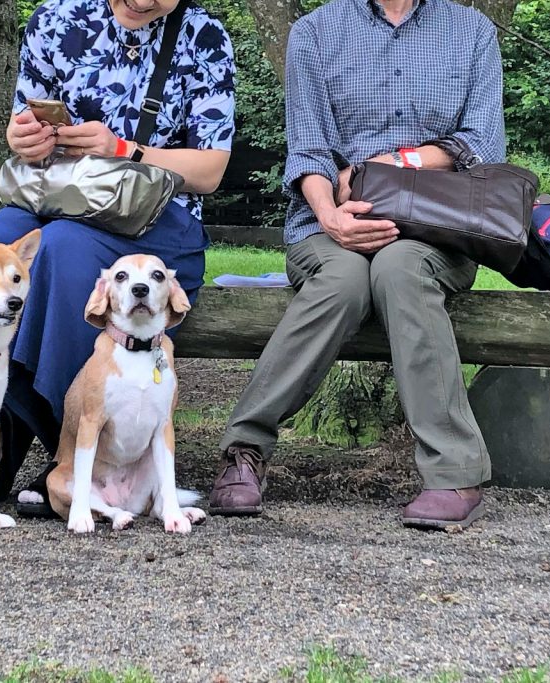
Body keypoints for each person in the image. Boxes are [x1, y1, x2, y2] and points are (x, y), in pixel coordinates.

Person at [207, 0, 505, 529]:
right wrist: (331, 217)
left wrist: (393, 164)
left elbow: (482, 143)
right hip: (327, 224)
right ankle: (245, 450)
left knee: (401, 268)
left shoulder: (472, 30)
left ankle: (454, 472)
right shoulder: (314, 32)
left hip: (435, 230)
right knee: (343, 281)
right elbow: (309, 151)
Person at [0, 0, 236, 515]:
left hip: (157, 222)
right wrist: (23, 137)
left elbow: (210, 170)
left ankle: (68, 455)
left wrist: (122, 149)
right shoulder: (55, 20)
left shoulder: (204, 35)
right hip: (60, 197)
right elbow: (25, 134)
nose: (143, 3)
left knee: (62, 249)